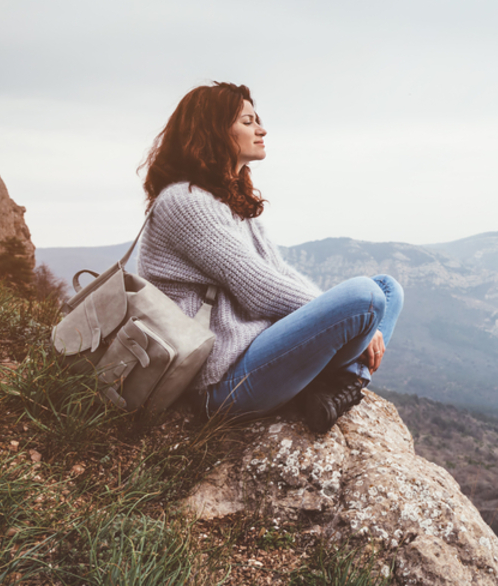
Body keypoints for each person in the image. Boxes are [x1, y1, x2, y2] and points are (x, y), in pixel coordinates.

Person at [137, 81, 402, 433]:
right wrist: (360, 318)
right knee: (366, 297)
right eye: (247, 122)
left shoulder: (226, 201)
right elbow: (259, 288)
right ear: (213, 131)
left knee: (386, 288)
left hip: (253, 356)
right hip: (218, 381)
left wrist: (349, 316)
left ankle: (332, 387)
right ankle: (340, 382)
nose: (261, 130)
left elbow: (279, 272)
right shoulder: (185, 202)